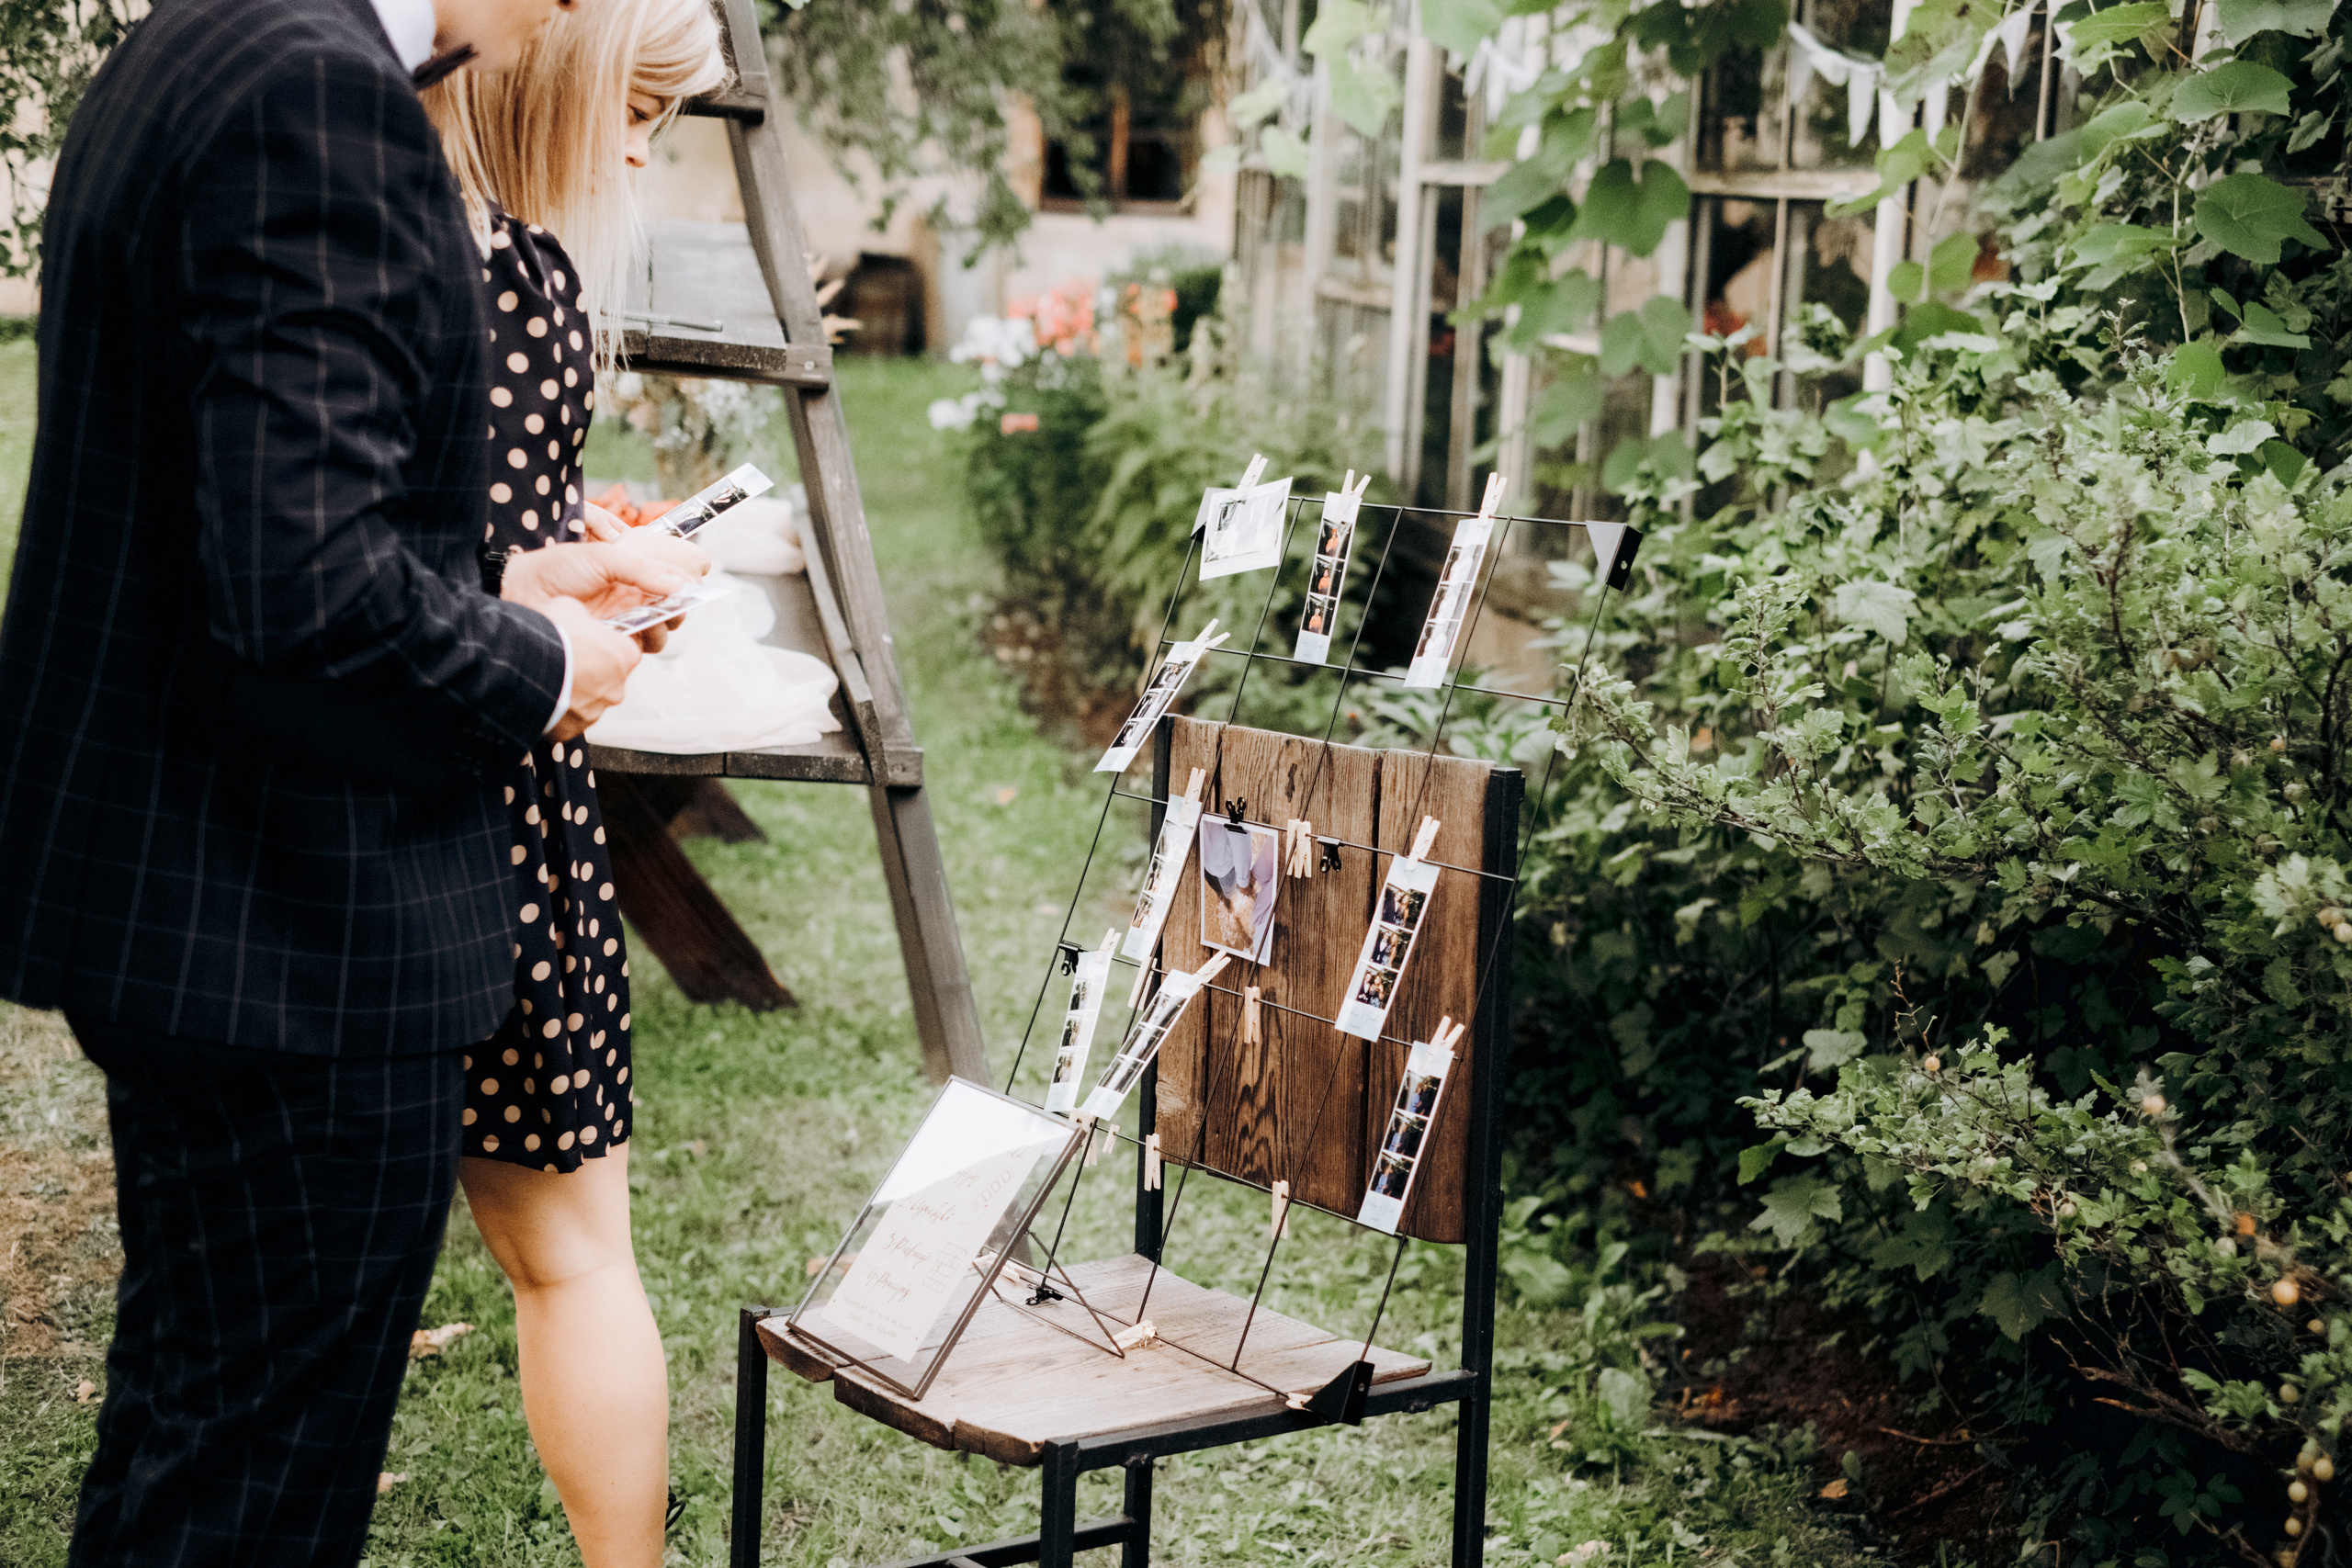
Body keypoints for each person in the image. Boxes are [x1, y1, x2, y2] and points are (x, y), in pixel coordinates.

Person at [0, 0, 694, 1562]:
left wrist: (509, 571)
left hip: (200, 899)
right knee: (254, 1491)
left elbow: (250, 510)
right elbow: (303, 589)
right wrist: (543, 665)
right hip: (292, 920)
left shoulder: (211, 37)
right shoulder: (320, 90)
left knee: (195, 1440)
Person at [419, 4, 725, 1563]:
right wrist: (576, 571)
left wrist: (577, 549)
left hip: (403, 784)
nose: (630, 146)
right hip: (514, 810)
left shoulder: (384, 241)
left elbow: (442, 548)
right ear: (549, 67)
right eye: (635, 107)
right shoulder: (525, 272)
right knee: (573, 1255)